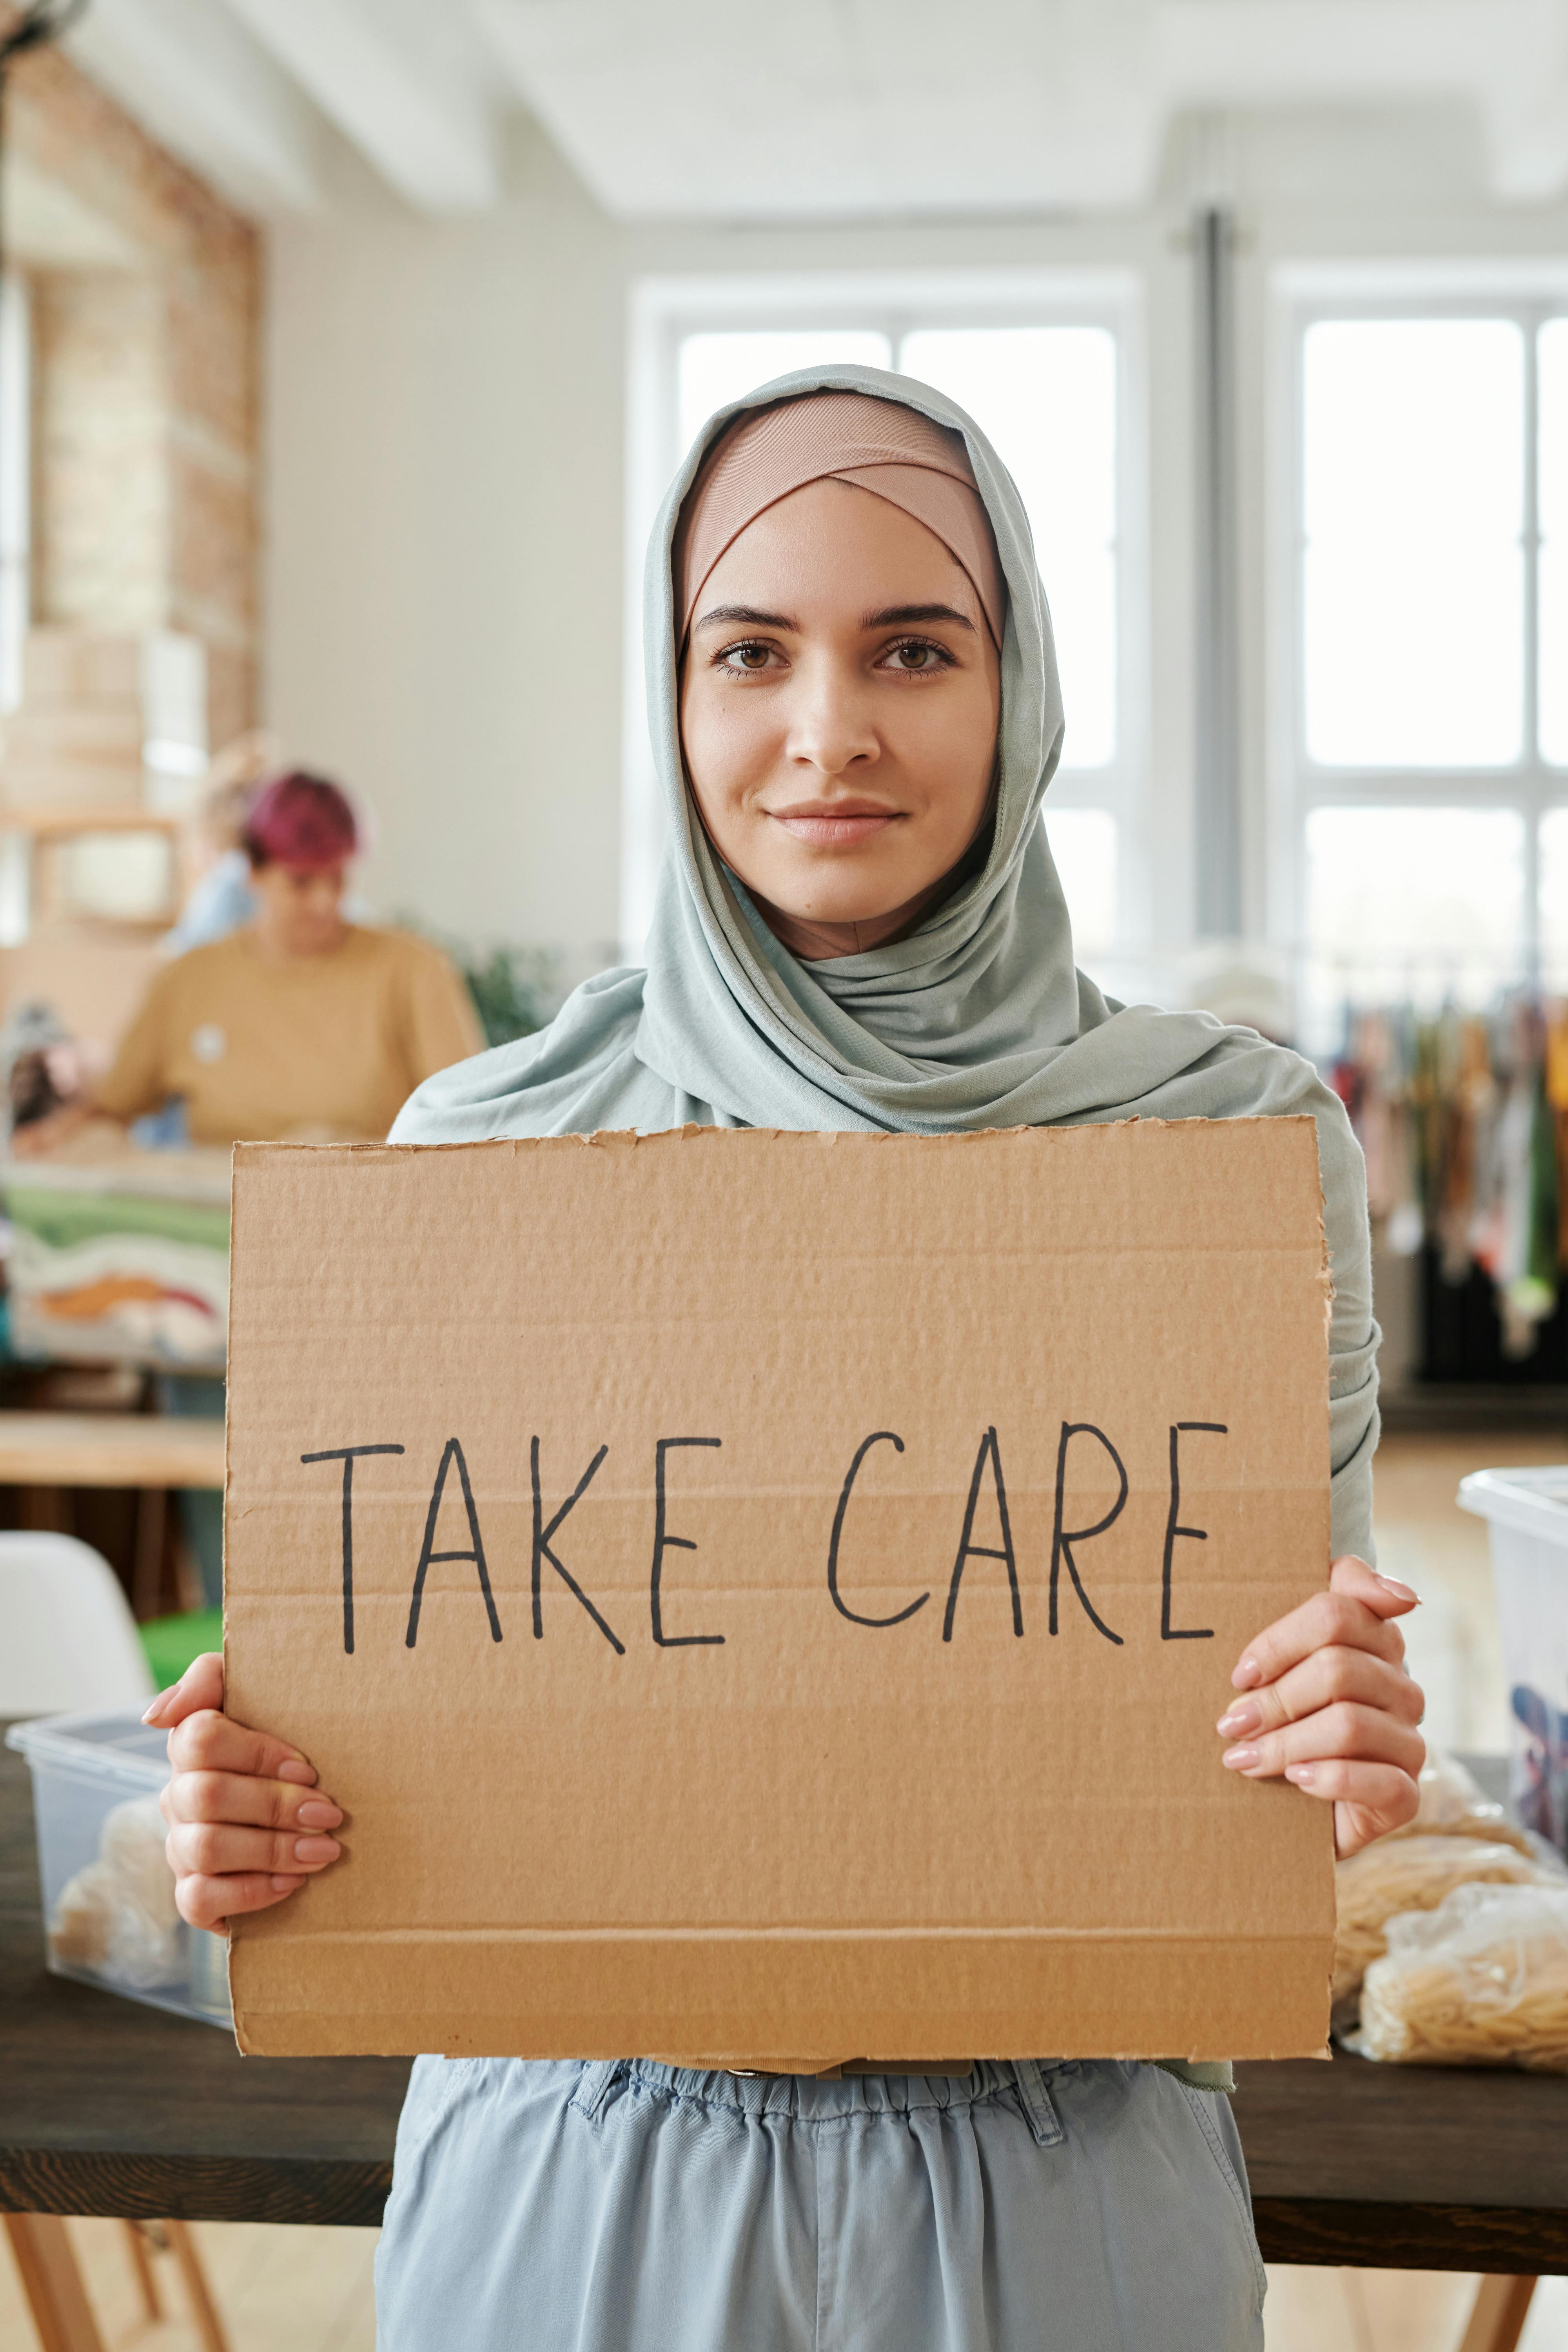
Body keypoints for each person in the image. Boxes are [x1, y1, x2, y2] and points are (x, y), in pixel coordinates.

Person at [147, 372, 1424, 2351]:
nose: (826, 729)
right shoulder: (482, 1152)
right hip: (570, 2181)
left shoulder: (1226, 1147)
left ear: (1019, 692)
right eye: (749, 652)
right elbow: (374, 1774)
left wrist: (1328, 1746)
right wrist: (257, 1817)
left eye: (912, 648)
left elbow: (1263, 1743)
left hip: (1062, 2189)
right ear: (670, 695)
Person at [20, 769, 482, 1151]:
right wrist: (54, 1139)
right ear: (254, 872)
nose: (326, 902)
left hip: (375, 1226)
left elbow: (471, 1123)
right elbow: (115, 1106)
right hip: (221, 1236)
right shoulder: (189, 981)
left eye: (338, 878)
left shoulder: (414, 971)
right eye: (302, 882)